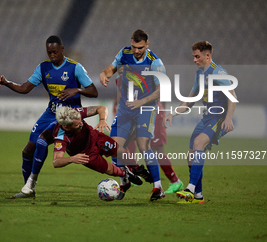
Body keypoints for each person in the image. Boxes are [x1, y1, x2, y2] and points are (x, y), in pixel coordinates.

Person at [0, 35, 98, 198]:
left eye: (55, 52)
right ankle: (28, 189)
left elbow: (94, 91)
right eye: (49, 52)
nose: (52, 55)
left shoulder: (75, 68)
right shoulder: (43, 68)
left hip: (68, 116)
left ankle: (30, 185)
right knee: (27, 151)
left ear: (62, 49)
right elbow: (24, 88)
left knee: (43, 141)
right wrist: (7, 82)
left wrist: (77, 90)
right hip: (50, 113)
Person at [163, 40, 237, 204]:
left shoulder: (218, 73)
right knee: (191, 156)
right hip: (207, 118)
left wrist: (228, 118)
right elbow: (189, 101)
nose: (194, 60)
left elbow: (233, 96)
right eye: (193, 57)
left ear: (207, 55)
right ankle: (198, 196)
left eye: (197, 57)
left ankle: (189, 189)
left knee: (198, 143)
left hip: (219, 118)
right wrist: (172, 114)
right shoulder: (199, 74)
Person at [100, 29, 166, 201]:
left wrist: (141, 102)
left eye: (140, 47)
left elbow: (162, 90)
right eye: (134, 46)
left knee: (143, 144)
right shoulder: (124, 53)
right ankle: (125, 181)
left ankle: (158, 188)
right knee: (114, 146)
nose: (136, 51)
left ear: (147, 45)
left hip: (145, 108)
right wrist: (104, 74)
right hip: (125, 108)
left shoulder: (155, 62)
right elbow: (111, 69)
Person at [52, 106, 143, 200]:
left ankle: (137, 168)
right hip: (86, 154)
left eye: (81, 121)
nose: (81, 125)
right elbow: (56, 162)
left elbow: (101, 108)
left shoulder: (75, 113)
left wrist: (102, 120)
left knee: (119, 151)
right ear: (66, 126)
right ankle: (125, 175)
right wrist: (72, 159)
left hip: (95, 137)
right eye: (76, 125)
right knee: (110, 170)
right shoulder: (60, 137)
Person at [113, 73, 183, 194]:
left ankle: (175, 181)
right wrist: (116, 104)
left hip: (150, 113)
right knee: (121, 145)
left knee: (156, 150)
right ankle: (132, 174)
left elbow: (161, 90)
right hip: (132, 113)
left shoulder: (142, 72)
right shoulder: (120, 78)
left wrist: (161, 111)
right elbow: (121, 92)